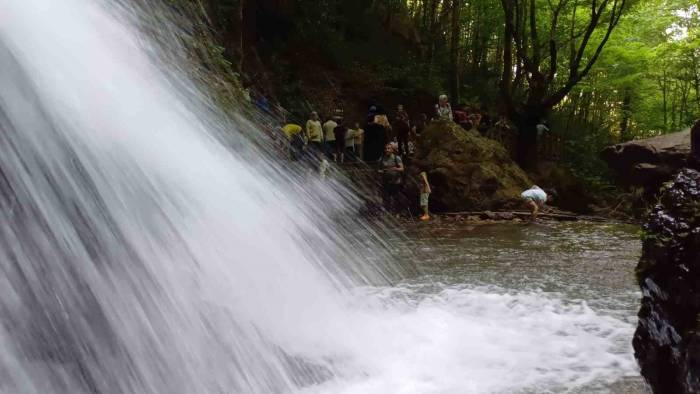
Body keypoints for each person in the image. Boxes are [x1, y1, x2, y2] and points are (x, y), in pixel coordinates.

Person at [378, 143, 404, 213]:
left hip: (396, 181)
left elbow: (402, 168)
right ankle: (388, 212)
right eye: (386, 149)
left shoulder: (396, 158)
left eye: (389, 148)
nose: (387, 150)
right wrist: (382, 171)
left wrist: (395, 169)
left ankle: (397, 212)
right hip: (386, 182)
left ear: (392, 150)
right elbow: (378, 169)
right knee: (386, 198)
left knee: (396, 198)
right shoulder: (382, 158)